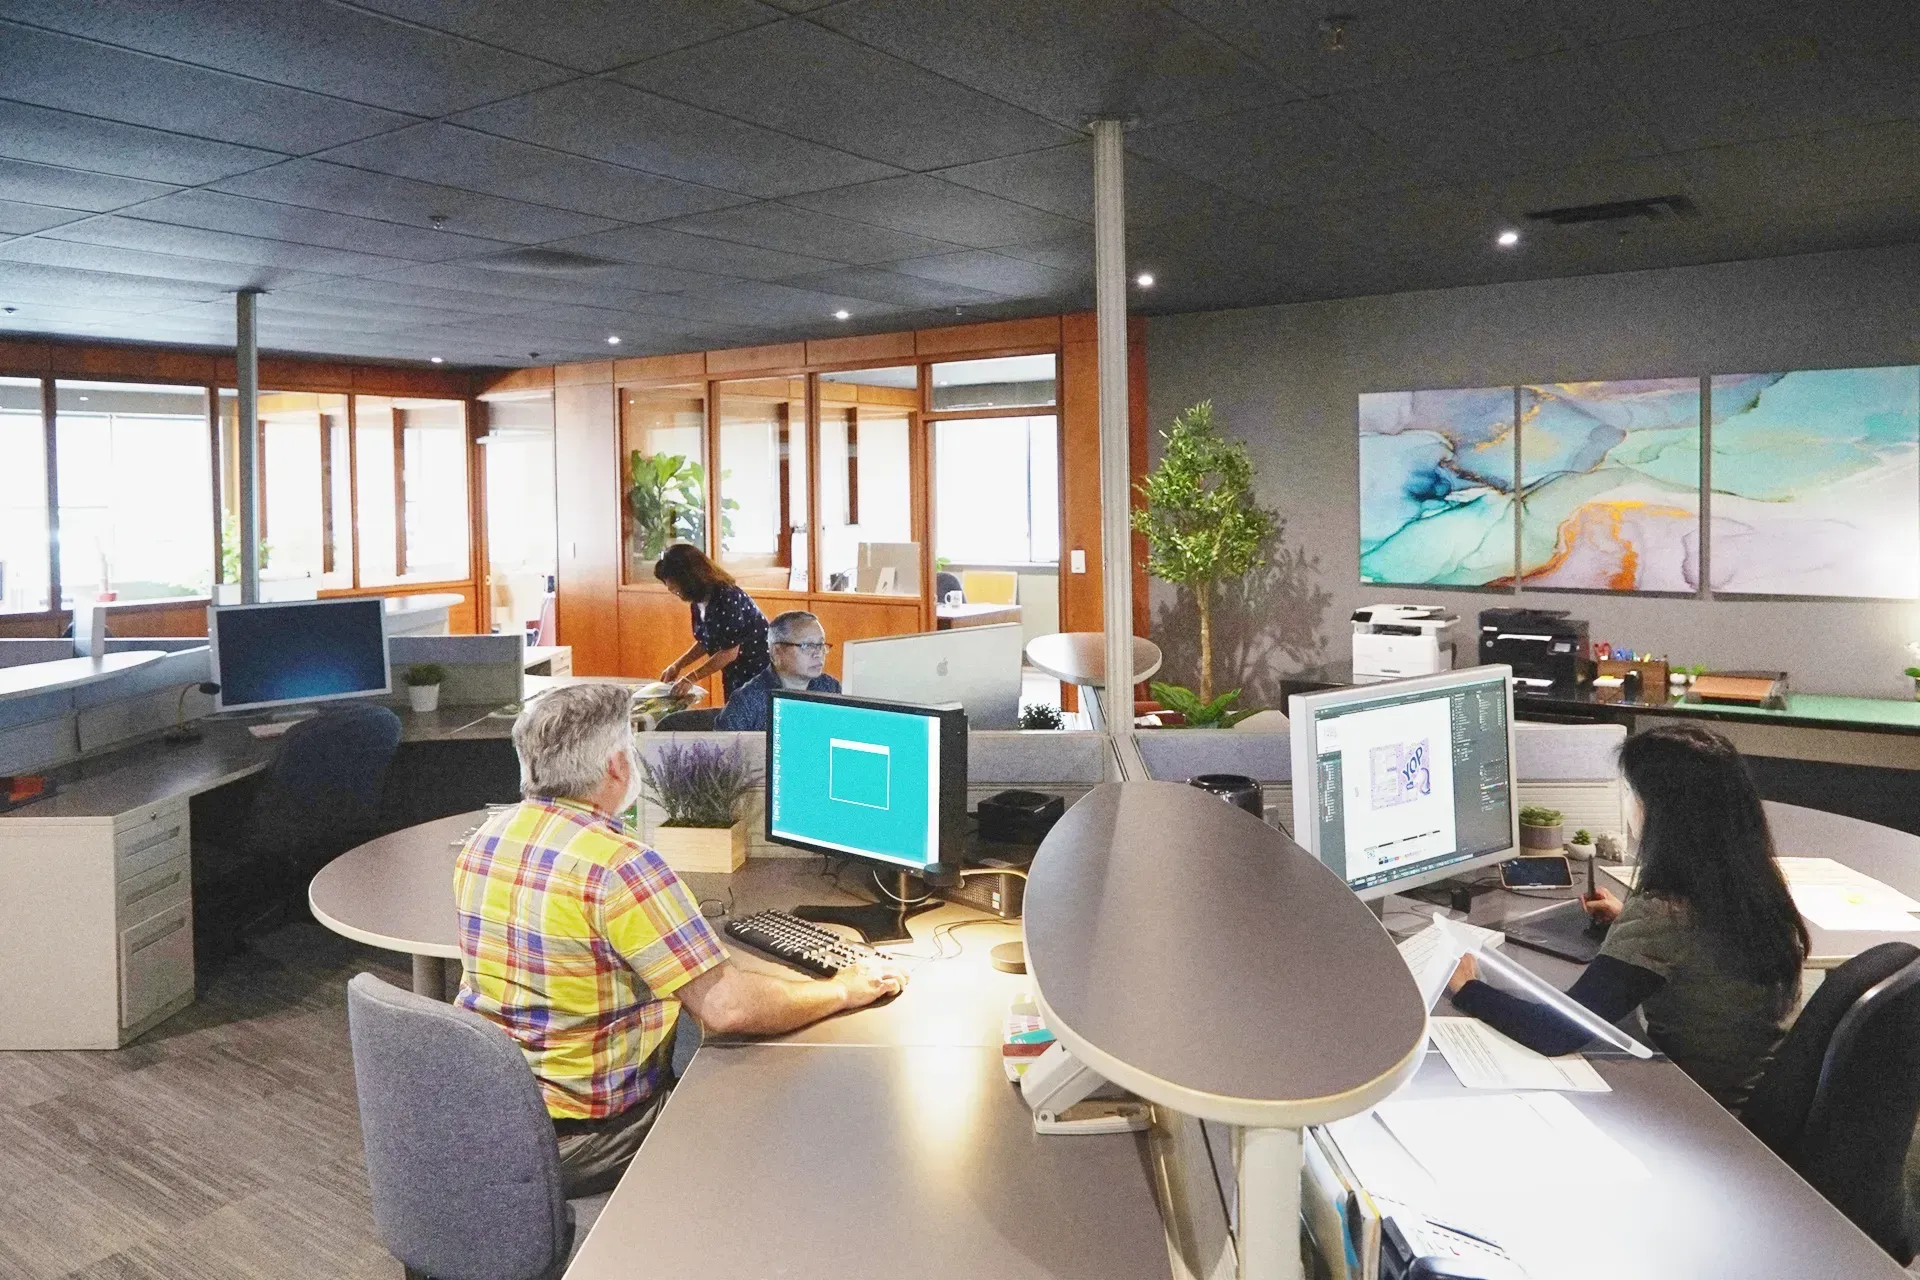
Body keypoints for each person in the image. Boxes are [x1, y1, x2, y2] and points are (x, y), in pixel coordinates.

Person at [453, 683, 907, 1196]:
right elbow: (727, 1009)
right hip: (586, 1134)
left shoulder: (487, 839)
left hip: (494, 1110)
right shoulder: (620, 866)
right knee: (780, 1098)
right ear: (618, 766)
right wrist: (842, 989)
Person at [1446, 722, 1808, 1113]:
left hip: (1704, 1115)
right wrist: (1628, 924)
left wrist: (1467, 989)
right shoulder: (1751, 885)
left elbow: (1554, 1032)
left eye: (1632, 793)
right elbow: (1701, 950)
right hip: (1745, 1093)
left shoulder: (1665, 917)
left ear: (1662, 814)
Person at [653, 544, 770, 701]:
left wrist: (691, 677)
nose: (669, 587)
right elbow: (707, 640)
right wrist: (678, 665)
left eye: (672, 581)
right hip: (734, 673)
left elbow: (729, 651)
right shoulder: (698, 599)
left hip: (757, 671)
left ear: (689, 577)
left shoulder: (728, 596)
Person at [715, 611, 841, 732]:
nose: (818, 653)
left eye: (821, 645)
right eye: (807, 646)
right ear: (776, 651)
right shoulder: (747, 701)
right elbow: (720, 750)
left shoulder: (830, 687)